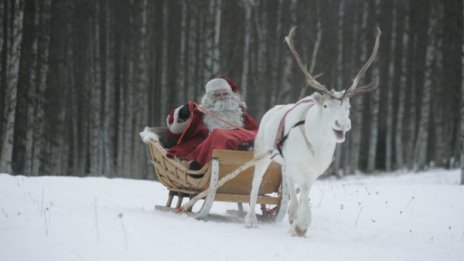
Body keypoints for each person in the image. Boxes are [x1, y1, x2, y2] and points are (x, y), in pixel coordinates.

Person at [165, 77, 258, 170]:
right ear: (209, 98)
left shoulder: (239, 113)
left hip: (238, 151)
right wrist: (182, 115)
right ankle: (198, 164)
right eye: (217, 95)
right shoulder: (200, 112)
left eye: (225, 94)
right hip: (207, 149)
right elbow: (177, 130)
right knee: (219, 135)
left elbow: (255, 132)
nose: (222, 97)